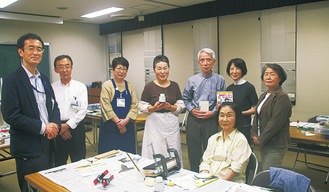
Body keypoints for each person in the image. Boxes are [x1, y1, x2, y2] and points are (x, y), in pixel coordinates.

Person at [1, 33, 60, 192]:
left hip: (49, 143)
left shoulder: (44, 79)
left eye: (40, 49)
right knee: (31, 187)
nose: (36, 52)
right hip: (28, 146)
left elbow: (54, 106)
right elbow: (11, 115)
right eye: (31, 48)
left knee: (47, 184)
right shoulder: (11, 80)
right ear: (21, 52)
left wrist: (54, 124)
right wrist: (43, 127)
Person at [182, 48, 226, 172]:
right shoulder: (192, 80)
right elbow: (185, 98)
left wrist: (214, 112)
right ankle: (194, 173)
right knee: (193, 150)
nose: (205, 63)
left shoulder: (220, 80)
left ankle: (210, 175)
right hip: (194, 119)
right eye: (202, 60)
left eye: (208, 59)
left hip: (211, 120)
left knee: (211, 149)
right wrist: (191, 110)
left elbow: (223, 100)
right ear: (199, 63)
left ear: (214, 62)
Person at [139, 55, 185, 163]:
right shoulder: (149, 87)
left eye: (165, 68)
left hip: (171, 124)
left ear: (169, 68)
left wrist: (171, 107)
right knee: (155, 150)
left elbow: (181, 105)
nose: (163, 71)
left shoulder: (174, 86)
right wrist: (153, 108)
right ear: (154, 70)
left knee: (173, 150)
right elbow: (141, 106)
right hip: (155, 125)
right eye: (159, 69)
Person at [251, 63, 292, 171]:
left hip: (275, 143)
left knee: (269, 174)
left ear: (280, 78)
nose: (268, 77)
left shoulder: (282, 96)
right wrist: (254, 133)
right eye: (266, 74)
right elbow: (256, 115)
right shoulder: (264, 95)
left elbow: (275, 123)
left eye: (272, 74)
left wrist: (261, 139)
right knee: (266, 171)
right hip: (265, 141)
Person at [199, 102, 251, 183]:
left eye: (229, 115)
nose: (224, 119)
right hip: (210, 182)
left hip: (230, 184)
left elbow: (235, 169)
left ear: (236, 118)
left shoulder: (241, 140)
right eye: (222, 115)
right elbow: (206, 162)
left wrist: (218, 185)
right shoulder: (213, 139)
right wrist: (204, 178)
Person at [52, 55, 88, 166]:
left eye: (67, 66)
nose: (64, 70)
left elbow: (82, 110)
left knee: (79, 162)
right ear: (56, 69)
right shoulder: (51, 88)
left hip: (76, 128)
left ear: (71, 68)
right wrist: (60, 128)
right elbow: (50, 110)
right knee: (58, 162)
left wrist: (66, 126)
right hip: (57, 129)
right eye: (61, 67)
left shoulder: (80, 87)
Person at [98, 57, 138, 154]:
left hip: (127, 127)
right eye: (119, 68)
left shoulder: (130, 86)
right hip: (110, 128)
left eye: (124, 69)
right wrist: (119, 123)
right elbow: (106, 106)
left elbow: (134, 105)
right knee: (109, 156)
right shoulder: (107, 85)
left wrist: (125, 121)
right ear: (113, 70)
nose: (122, 71)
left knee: (128, 156)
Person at [226, 58, 258, 144]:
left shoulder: (249, 87)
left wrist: (240, 113)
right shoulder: (229, 88)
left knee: (242, 151)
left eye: (237, 68)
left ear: (243, 70)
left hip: (244, 125)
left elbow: (255, 109)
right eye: (232, 69)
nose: (234, 71)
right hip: (229, 125)